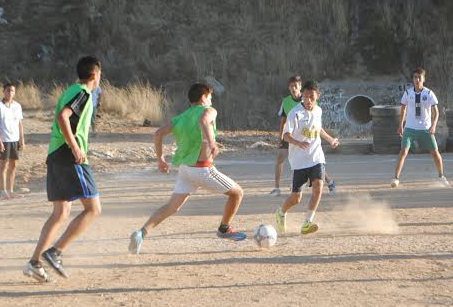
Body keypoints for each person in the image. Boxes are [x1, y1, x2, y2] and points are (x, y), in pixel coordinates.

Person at [129, 83, 247, 255]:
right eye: (210, 97)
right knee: (237, 193)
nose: (211, 100)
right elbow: (203, 121)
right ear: (204, 97)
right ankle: (224, 228)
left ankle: (141, 233)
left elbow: (158, 133)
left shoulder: (182, 117)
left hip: (185, 170)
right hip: (202, 170)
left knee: (171, 207)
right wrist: (212, 143)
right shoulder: (209, 110)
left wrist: (160, 159)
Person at [23, 57, 103, 282]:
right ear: (95, 75)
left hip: (56, 154)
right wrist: (76, 147)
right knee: (93, 209)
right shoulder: (83, 93)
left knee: (61, 213)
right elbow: (63, 117)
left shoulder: (71, 89)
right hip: (69, 156)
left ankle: (34, 262)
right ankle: (55, 252)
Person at [274, 81, 340, 235]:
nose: (308, 100)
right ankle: (281, 213)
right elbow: (286, 135)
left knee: (318, 187)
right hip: (299, 161)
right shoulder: (295, 113)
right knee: (296, 198)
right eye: (305, 97)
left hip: (316, 157)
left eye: (312, 97)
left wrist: (330, 139)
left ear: (317, 97)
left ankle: (307, 222)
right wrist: (297, 142)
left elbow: (319, 129)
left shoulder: (318, 111)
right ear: (302, 96)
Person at [271, 75, 336, 197]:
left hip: (305, 136)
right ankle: (277, 188)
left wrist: (330, 139)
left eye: (295, 86)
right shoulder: (286, 102)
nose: (293, 88)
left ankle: (329, 181)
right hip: (290, 134)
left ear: (300, 88)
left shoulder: (310, 99)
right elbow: (283, 120)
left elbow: (317, 126)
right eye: (291, 86)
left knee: (313, 161)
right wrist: (281, 136)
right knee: (280, 157)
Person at [391, 67, 449, 188]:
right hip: (410, 128)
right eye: (415, 77)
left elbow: (436, 112)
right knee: (403, 152)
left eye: (419, 77)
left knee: (435, 152)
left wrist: (433, 126)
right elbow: (403, 109)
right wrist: (401, 125)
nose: (417, 79)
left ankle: (441, 176)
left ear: (424, 79)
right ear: (412, 79)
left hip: (425, 129)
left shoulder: (429, 93)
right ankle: (396, 178)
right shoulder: (408, 93)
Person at [0, 83, 24, 199]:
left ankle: (10, 190)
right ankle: (2, 191)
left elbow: (20, 124)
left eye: (12, 91)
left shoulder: (17, 106)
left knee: (13, 165)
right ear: (3, 91)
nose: (10, 93)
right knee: (3, 165)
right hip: (4, 139)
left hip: (15, 139)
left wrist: (22, 140)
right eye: (8, 91)